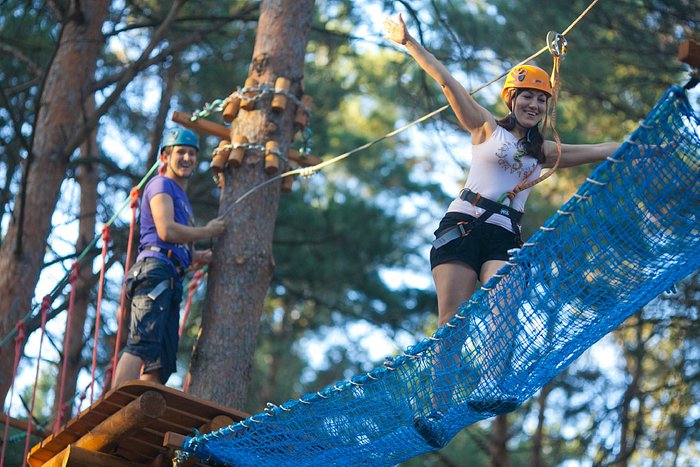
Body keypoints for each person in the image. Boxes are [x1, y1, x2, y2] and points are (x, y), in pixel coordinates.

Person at [383, 14, 621, 442]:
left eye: (541, 100)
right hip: (462, 226)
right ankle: (437, 407)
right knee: (453, 320)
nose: (533, 105)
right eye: (526, 97)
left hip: (504, 236)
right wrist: (409, 42)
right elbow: (448, 83)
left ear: (547, 107)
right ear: (512, 100)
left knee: (505, 298)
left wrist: (648, 142)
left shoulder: (545, 153)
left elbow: (603, 149)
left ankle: (490, 384)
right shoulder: (486, 129)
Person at [112, 128, 225, 388]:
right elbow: (166, 230)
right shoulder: (161, 184)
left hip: (170, 276)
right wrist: (208, 231)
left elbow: (176, 245)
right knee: (142, 344)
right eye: (181, 152)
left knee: (161, 363)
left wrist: (199, 256)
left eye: (192, 153)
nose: (187, 158)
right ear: (165, 157)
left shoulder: (182, 198)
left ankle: (139, 416)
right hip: (155, 271)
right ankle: (114, 410)